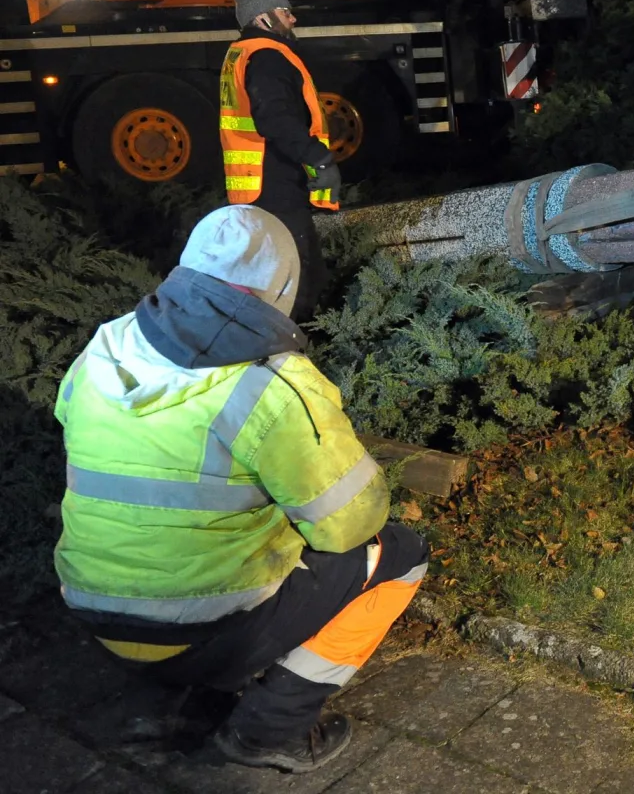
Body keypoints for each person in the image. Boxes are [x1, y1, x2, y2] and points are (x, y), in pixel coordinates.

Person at [53, 205, 428, 774]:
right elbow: (351, 524)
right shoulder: (273, 384)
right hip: (207, 629)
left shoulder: (107, 346)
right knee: (401, 556)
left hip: (92, 611)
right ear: (282, 290)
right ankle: (270, 729)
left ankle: (182, 696)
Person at [220, 0, 341, 322]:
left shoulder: (241, 54)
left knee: (293, 275)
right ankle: (292, 351)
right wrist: (317, 157)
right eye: (285, 11)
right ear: (262, 18)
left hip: (257, 186)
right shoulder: (267, 56)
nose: (293, 18)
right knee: (300, 282)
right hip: (275, 186)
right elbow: (274, 118)